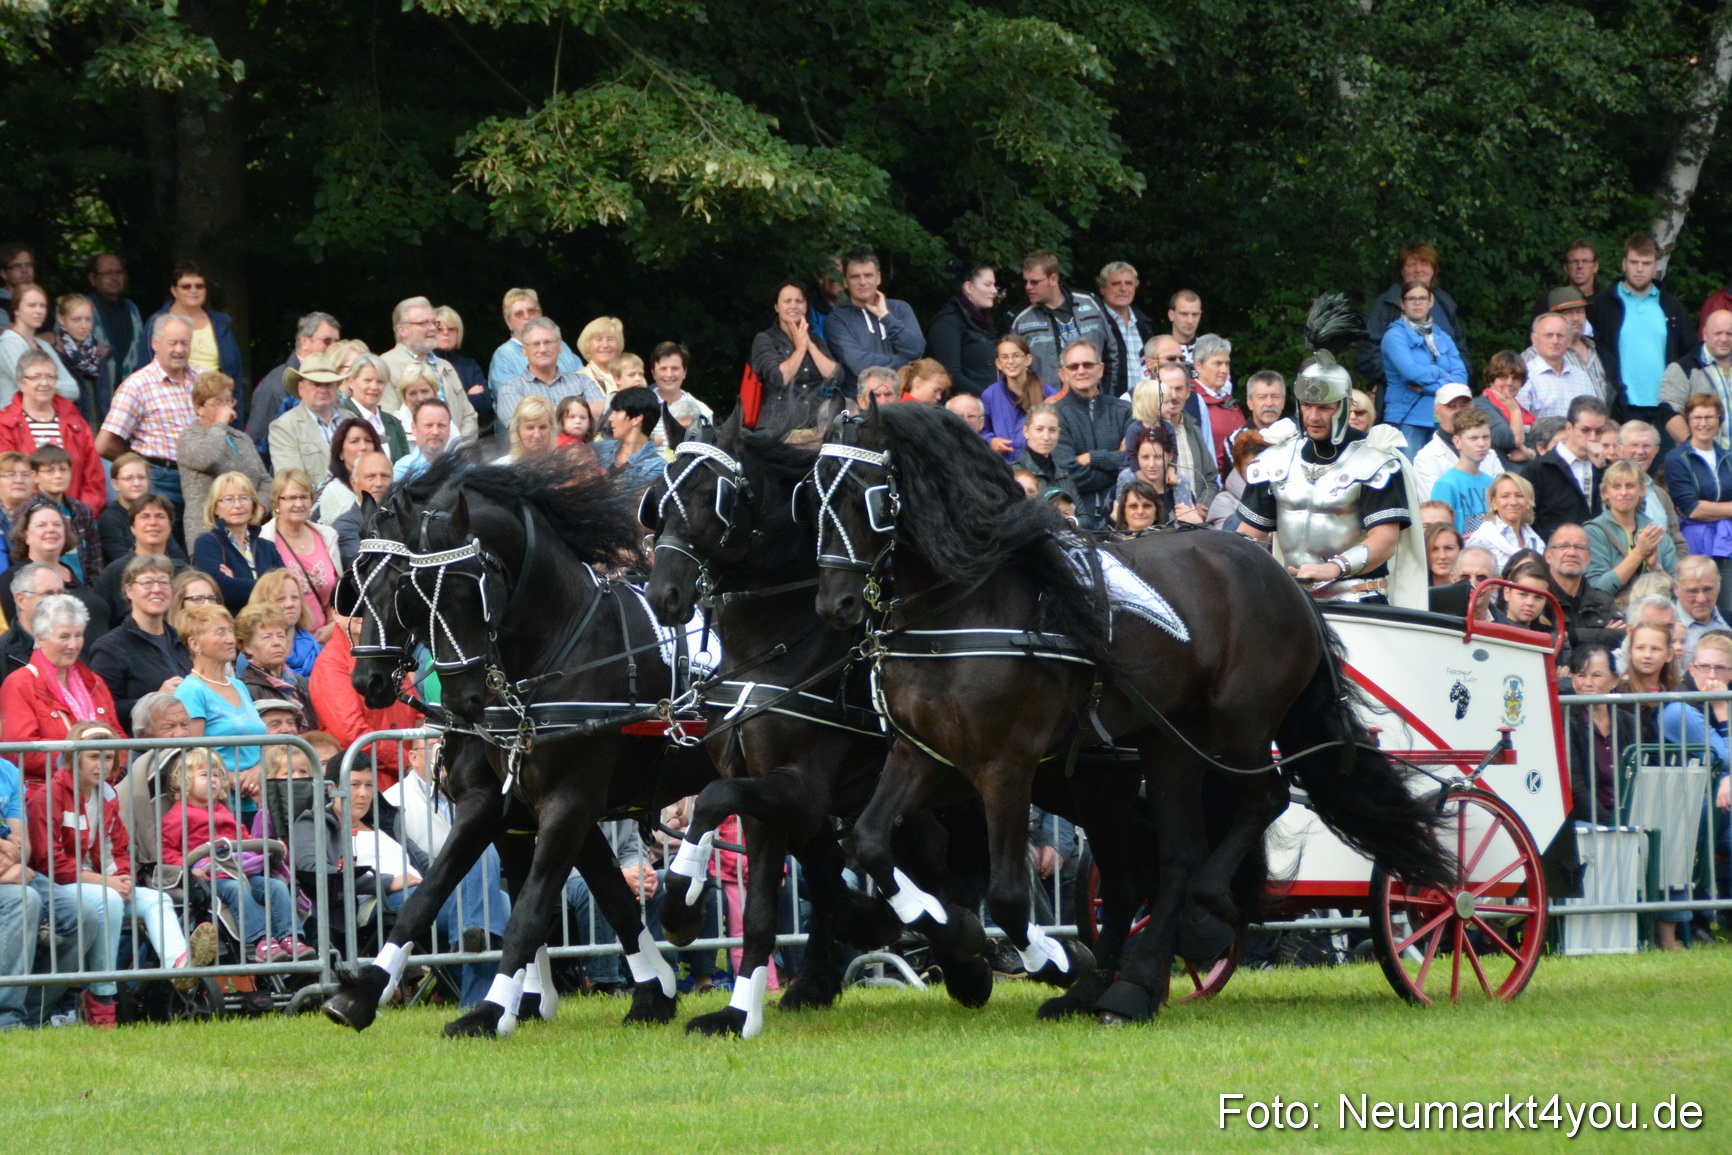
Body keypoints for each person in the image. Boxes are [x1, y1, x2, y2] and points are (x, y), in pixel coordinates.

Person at [1237, 325, 1425, 608]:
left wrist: (1333, 568)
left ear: (1346, 406)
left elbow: (1385, 541)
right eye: (1307, 405)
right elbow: (1249, 535)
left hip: (1357, 597)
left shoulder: (1377, 461)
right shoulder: (1276, 458)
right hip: (1293, 602)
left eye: (1324, 407)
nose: (1313, 416)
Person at [381, 738, 512, 1007]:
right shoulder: (393, 800)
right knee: (492, 898)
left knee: (493, 900)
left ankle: (470, 935)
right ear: (413, 758)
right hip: (422, 892)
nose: (441, 752)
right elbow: (410, 858)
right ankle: (479, 994)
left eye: (444, 744)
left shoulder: (473, 792)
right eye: (430, 747)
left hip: (462, 890)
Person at [160, 747, 304, 962]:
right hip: (211, 876)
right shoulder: (178, 815)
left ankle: (290, 937)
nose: (213, 781)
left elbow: (243, 838)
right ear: (184, 782)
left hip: (239, 870)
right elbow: (165, 850)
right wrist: (188, 868)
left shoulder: (223, 812)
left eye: (217, 775)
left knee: (276, 886)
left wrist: (264, 848)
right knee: (237, 890)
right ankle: (261, 941)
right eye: (205, 775)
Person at [0, 594, 119, 785]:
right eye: (64, 636)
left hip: (100, 793)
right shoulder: (19, 684)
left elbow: (118, 735)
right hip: (46, 796)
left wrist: (113, 765)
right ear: (40, 638)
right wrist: (78, 762)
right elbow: (18, 751)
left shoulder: (94, 682)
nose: (73, 645)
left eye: (78, 635)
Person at [100, 314, 202, 525]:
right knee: (164, 552)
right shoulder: (137, 385)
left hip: (201, 480)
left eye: (185, 343)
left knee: (201, 550)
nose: (180, 349)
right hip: (160, 480)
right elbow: (104, 444)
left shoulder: (203, 379)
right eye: (172, 343)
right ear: (155, 343)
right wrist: (139, 465)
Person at [1586, 234, 1690, 429]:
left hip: (1665, 407)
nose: (1640, 269)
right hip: (1619, 406)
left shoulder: (1671, 306)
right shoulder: (1602, 305)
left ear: (1655, 266)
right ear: (1624, 264)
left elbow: (1690, 353)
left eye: (1646, 263)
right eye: (1634, 262)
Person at [310, 612, 418, 790]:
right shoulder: (330, 663)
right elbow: (350, 732)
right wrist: (405, 760)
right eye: (351, 607)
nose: (361, 614)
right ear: (334, 614)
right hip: (366, 782)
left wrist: (422, 749)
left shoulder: (386, 653)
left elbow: (414, 706)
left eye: (366, 606)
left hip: (405, 775)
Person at [175, 601, 269, 796]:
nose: (230, 640)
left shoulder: (238, 685)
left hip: (257, 799)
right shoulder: (191, 690)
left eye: (230, 631)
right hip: (220, 801)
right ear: (194, 643)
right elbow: (193, 755)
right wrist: (234, 779)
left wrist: (257, 772)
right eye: (220, 632)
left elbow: (261, 742)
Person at [174, 368, 270, 552]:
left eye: (228, 401)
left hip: (248, 533)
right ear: (199, 407)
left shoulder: (241, 438)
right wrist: (219, 424)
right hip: (208, 536)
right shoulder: (189, 437)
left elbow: (264, 479)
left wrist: (260, 508)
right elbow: (208, 458)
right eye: (218, 402)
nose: (226, 408)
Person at [0, 350, 105, 516]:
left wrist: (79, 515)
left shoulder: (76, 423)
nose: (44, 383)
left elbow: (94, 478)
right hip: (23, 520)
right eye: (36, 377)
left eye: (50, 377)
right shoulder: (4, 424)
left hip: (75, 520)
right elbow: (7, 478)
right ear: (21, 382)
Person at [87, 554, 190, 724]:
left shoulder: (183, 641)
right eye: (147, 582)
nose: (157, 589)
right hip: (142, 747)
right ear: (129, 591)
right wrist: (155, 700)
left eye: (164, 582)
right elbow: (104, 709)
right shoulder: (109, 648)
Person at [1359, 243, 1469, 394]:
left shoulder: (1445, 303)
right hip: (1402, 396)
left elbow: (1461, 349)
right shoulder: (1385, 305)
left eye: (1424, 264)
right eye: (1411, 265)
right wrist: (1399, 379)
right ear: (1402, 271)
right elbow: (1368, 355)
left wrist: (1448, 382)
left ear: (1433, 270)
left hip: (1447, 395)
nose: (1418, 270)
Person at [1380, 280, 1469, 460]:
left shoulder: (1443, 337)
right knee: (1411, 481)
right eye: (1411, 299)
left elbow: (1461, 378)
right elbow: (1411, 373)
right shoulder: (1394, 335)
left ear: (1431, 302)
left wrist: (1427, 387)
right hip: (1407, 420)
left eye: (1422, 298)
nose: (1417, 302)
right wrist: (1441, 373)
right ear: (1402, 304)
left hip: (1441, 421)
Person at [1665, 391, 1732, 619]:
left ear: (1719, 421)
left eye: (1709, 417)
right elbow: (1691, 508)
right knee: (1697, 605)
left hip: (1727, 541)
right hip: (1695, 541)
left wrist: (1707, 508)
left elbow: (1699, 508)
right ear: (1689, 421)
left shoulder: (1728, 457)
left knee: (1727, 608)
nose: (1703, 423)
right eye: (1697, 418)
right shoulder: (1677, 458)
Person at [1050, 339, 1130, 529]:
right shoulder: (1053, 416)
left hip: (1122, 518)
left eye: (1087, 364)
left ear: (1101, 369)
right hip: (1077, 520)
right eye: (1073, 366)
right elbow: (1067, 474)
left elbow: (1135, 461)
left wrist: (1093, 458)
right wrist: (1116, 470)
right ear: (1063, 374)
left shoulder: (1125, 411)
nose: (1081, 371)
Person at [142, 264, 244, 410]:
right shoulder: (157, 322)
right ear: (174, 290)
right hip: (172, 404)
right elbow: (145, 366)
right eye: (186, 286)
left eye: (199, 286)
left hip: (217, 405)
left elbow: (234, 371)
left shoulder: (221, 323)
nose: (193, 291)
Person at [827, 249, 926, 392]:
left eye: (868, 275)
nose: (862, 282)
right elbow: (862, 365)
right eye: (855, 277)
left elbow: (916, 350)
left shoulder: (900, 308)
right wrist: (906, 364)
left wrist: (886, 317)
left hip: (903, 397)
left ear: (878, 278)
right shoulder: (837, 319)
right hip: (862, 402)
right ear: (845, 282)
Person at [380, 296, 478, 441]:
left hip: (457, 456)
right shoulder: (385, 366)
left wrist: (459, 449)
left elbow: (469, 415)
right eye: (424, 323)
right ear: (403, 330)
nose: (433, 328)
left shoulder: (445, 366)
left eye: (433, 322)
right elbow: (388, 422)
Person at [748, 280, 845, 425]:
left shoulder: (816, 340)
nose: (793, 306)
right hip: (777, 425)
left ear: (806, 306)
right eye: (787, 301)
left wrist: (809, 346)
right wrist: (800, 349)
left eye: (799, 301)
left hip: (815, 423)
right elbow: (780, 377)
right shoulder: (765, 339)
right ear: (777, 307)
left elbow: (836, 377)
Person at [259, 470, 340, 643]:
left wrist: (333, 625)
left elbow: (338, 589)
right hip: (285, 642)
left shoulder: (327, 536)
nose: (299, 503)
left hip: (327, 639)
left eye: (304, 497)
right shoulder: (264, 539)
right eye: (291, 498)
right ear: (277, 503)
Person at [495, 317, 606, 439]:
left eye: (548, 342)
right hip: (534, 457)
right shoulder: (510, 388)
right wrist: (581, 413)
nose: (542, 349)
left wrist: (540, 412)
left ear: (560, 346)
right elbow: (519, 425)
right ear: (525, 350)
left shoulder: (582, 381)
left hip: (582, 454)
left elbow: (603, 414)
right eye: (536, 344)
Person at [1584, 460, 1677, 601]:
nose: (1624, 493)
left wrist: (1655, 567)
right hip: (1612, 617)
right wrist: (1639, 553)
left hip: (1655, 614)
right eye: (1616, 487)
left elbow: (1678, 592)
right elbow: (1597, 588)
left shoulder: (1656, 532)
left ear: (1642, 490)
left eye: (1630, 486)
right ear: (1605, 493)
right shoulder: (1593, 532)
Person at [246, 312, 342, 448]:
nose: (333, 348)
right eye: (326, 341)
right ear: (304, 342)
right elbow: (256, 440)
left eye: (336, 342)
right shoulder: (275, 384)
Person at [2, 502, 105, 629]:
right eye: (41, 525)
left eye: (57, 525)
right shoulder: (13, 579)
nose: (51, 529)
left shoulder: (72, 571)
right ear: (26, 535)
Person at [91, 493, 184, 632]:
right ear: (132, 527)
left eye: (160, 516)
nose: (153, 522)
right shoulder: (114, 572)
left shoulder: (184, 573)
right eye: (144, 517)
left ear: (170, 526)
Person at [191, 471, 281, 612]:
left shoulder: (267, 547)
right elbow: (221, 588)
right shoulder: (207, 543)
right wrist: (267, 588)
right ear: (216, 508)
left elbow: (284, 588)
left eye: (244, 498)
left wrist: (237, 580)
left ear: (253, 505)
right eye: (228, 499)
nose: (238, 505)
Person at [1563, 643, 1630, 823]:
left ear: (1615, 680)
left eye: (1597, 675)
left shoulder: (1629, 722)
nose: (1588, 683)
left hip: (1627, 819)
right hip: (1586, 822)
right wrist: (1611, 825)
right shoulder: (1567, 721)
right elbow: (1575, 789)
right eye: (1581, 675)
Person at [1528, 395, 1608, 541]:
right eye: (1585, 430)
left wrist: (1603, 470)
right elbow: (1528, 519)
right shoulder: (1540, 468)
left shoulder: (1607, 468)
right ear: (1569, 428)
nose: (1592, 438)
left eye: (1599, 431)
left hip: (1600, 553)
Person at [1411, 383, 1505, 500]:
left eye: (1464, 405)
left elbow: (1502, 498)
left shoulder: (1489, 454)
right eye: (1451, 406)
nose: (1458, 412)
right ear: (1436, 413)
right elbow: (1436, 505)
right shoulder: (1426, 458)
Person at [1544, 524, 1624, 659]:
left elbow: (1623, 636)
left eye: (1579, 547)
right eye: (1563, 546)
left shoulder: (1603, 600)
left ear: (1589, 558)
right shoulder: (1540, 598)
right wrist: (1603, 635)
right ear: (1548, 556)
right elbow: (1546, 641)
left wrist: (1573, 635)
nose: (1571, 553)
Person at [268, 350, 347, 485]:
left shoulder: (353, 420)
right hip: (314, 504)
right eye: (316, 384)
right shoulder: (284, 427)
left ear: (336, 388)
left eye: (328, 384)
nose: (323, 389)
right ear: (300, 388)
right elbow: (293, 484)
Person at [234, 603, 318, 730]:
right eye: (267, 637)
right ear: (247, 646)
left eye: (280, 636)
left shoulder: (300, 683)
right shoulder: (244, 689)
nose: (277, 643)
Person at [487, 287, 582, 396]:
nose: (527, 317)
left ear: (540, 314)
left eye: (531, 311)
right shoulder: (504, 355)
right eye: (519, 313)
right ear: (508, 322)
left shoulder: (561, 346)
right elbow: (510, 401)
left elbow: (585, 383)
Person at [85, 253, 148, 415]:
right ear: (93, 279)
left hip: (131, 399)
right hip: (95, 396)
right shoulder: (83, 309)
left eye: (119, 273)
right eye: (107, 273)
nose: (114, 278)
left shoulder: (132, 309)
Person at [1660, 308, 1732, 447]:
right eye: (1718, 333)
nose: (1724, 339)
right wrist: (1697, 450)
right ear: (1705, 334)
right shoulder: (1682, 368)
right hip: (1704, 460)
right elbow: (1669, 412)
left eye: (1729, 333)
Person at [0, 284, 80, 408]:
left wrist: (43, 383)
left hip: (43, 420)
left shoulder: (43, 346)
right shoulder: (8, 343)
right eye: (31, 305)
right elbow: (27, 384)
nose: (38, 311)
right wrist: (51, 382)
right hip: (13, 423)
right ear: (16, 310)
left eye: (42, 306)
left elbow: (73, 390)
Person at [925, 264, 999, 396]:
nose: (994, 291)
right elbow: (950, 374)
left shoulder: (984, 323)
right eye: (988, 285)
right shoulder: (947, 324)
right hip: (961, 408)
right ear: (969, 287)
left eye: (994, 285)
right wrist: (989, 399)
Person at [979, 334, 1055, 459]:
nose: (1010, 362)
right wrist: (990, 441)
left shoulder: (1047, 393)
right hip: (1005, 467)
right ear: (998, 363)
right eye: (1004, 357)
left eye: (1016, 355)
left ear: (1028, 359)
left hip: (1040, 466)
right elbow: (981, 430)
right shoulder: (989, 395)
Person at [1518, 311, 1598, 421]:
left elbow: (1593, 417)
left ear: (1569, 340)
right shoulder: (1524, 377)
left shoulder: (1582, 377)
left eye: (1560, 336)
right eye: (1548, 335)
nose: (1555, 341)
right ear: (1534, 339)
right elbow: (1521, 424)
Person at [1427, 408, 1497, 534]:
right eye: (1473, 438)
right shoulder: (1446, 484)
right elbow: (1438, 532)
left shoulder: (1492, 483)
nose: (1481, 444)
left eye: (1485, 437)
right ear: (1457, 442)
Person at [1113, 427, 1202, 525]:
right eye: (1145, 457)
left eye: (1158, 457)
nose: (1151, 464)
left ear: (1170, 455)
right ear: (1136, 457)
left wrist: (1198, 522)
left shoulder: (1182, 490)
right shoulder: (1119, 492)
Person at [1093, 262, 1155, 399]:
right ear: (1102, 289)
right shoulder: (1094, 322)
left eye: (1129, 283)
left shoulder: (1145, 324)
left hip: (1145, 403)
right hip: (1111, 404)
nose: (1123, 289)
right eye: (1116, 284)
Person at [1465, 472, 1546, 573]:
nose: (1513, 502)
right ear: (1494, 503)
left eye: (1519, 496)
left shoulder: (1536, 542)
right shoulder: (1482, 539)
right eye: (1505, 496)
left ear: (1528, 503)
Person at [248, 568, 322, 677]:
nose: (289, 604)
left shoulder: (316, 648)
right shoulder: (251, 654)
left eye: (295, 598)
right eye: (280, 599)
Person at [335, 353, 408, 463]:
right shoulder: (339, 416)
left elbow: (405, 464)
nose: (374, 387)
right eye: (367, 380)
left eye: (380, 382)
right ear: (351, 382)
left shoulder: (394, 423)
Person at [1189, 334, 1244, 477]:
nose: (1224, 370)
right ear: (1198, 365)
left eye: (1227, 363)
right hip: (1207, 481)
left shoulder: (1230, 402)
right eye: (1218, 364)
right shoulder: (1189, 400)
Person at [593, 387, 664, 496]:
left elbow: (629, 503)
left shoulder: (657, 467)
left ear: (636, 419)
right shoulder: (600, 448)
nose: (611, 418)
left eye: (617, 412)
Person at [313, 418, 382, 525]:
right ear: (340, 452)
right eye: (355, 441)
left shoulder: (381, 485)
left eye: (368, 440)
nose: (363, 447)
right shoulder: (335, 490)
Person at [1473, 351, 1535, 468]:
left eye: (1515, 378)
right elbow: (1511, 440)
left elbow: (1540, 447)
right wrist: (1515, 412)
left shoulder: (1523, 411)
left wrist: (1530, 454)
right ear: (1492, 380)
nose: (1510, 383)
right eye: (1503, 377)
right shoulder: (1481, 405)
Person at [433, 305, 491, 429]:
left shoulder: (469, 366)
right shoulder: (425, 364)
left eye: (451, 329)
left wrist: (456, 401)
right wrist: (468, 397)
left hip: (468, 436)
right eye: (439, 329)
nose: (446, 333)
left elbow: (485, 403)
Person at [334, 451, 394, 569]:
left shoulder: (404, 517)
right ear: (354, 483)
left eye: (385, 476)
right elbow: (366, 567)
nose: (379, 483)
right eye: (370, 477)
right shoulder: (345, 526)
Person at [1010, 404, 1078, 508]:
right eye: (1039, 429)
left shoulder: (1063, 474)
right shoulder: (1013, 472)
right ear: (1026, 432)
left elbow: (1083, 516)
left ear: (1059, 433)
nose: (1046, 437)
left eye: (1052, 430)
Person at [53, 295, 107, 422]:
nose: (83, 326)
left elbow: (107, 399)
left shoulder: (101, 355)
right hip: (70, 429)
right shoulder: (54, 357)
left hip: (98, 428)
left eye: (88, 319)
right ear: (61, 320)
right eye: (76, 320)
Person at [1674, 555, 1732, 656]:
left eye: (1708, 589)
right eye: (1693, 591)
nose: (1701, 599)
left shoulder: (1729, 621)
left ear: (1718, 586)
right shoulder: (1665, 626)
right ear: (1676, 589)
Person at [649, 342, 712, 433]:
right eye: (663, 369)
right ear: (653, 373)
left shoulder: (703, 412)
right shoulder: (639, 407)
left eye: (675, 368)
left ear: (685, 372)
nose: (669, 374)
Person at [392, 399, 454, 484]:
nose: (435, 432)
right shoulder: (402, 472)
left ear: (449, 429)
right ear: (414, 428)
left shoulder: (464, 469)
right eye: (428, 425)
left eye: (441, 425)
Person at [1490, 558, 1557, 634]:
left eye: (1538, 597)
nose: (1530, 603)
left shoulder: (1551, 637)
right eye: (1523, 594)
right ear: (1507, 593)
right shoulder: (1491, 628)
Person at [573, 316, 626, 397]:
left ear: (619, 345)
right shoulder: (577, 380)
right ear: (587, 345)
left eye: (610, 339)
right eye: (598, 339)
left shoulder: (631, 375)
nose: (605, 345)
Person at [497, 395, 555, 463]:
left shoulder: (563, 465)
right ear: (517, 429)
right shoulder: (501, 467)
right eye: (530, 428)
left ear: (552, 428)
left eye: (543, 427)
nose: (537, 435)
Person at [1165, 290, 1204, 368]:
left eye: (1195, 315)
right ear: (1171, 315)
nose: (1190, 321)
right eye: (1184, 314)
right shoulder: (1156, 350)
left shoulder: (1211, 350)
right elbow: (1150, 379)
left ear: (1200, 315)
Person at [1425, 521, 1463, 585]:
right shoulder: (1414, 592)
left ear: (1461, 550)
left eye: (1448, 548)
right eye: (1434, 549)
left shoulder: (1472, 591)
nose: (1442, 556)